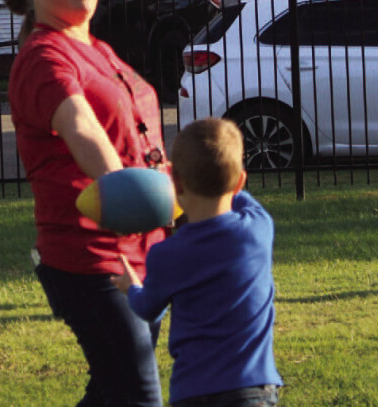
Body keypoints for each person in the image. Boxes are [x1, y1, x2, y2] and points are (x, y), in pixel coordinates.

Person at [4, 0, 170, 405]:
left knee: (111, 393)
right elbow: (83, 128)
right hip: (92, 258)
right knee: (137, 395)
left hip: (145, 252)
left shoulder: (98, 49)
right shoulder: (44, 56)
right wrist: (122, 191)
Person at [112, 118, 284, 407]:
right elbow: (240, 196)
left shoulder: (167, 254)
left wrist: (132, 287)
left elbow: (148, 310)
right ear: (240, 180)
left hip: (192, 391)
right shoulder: (258, 228)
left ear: (175, 182)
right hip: (251, 388)